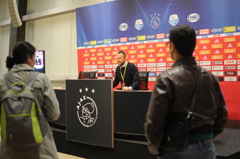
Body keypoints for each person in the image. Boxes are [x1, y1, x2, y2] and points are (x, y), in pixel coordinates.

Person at [144, 25, 228, 159]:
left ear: (172, 46)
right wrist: (208, 137)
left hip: (177, 149)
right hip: (208, 148)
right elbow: (222, 115)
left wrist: (157, 150)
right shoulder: (210, 77)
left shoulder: (166, 78)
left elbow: (154, 122)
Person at [0, 41, 60, 159]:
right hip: (40, 148)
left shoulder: (2, 81)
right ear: (28, 58)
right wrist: (34, 117)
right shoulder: (42, 79)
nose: (34, 61)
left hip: (10, 149)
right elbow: (54, 114)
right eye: (34, 58)